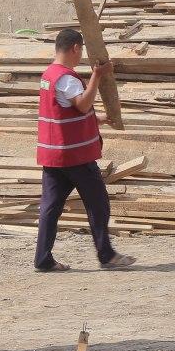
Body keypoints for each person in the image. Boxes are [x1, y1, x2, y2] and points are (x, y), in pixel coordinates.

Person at [34, 28, 134, 272]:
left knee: (50, 207)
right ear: (75, 48)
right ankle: (106, 254)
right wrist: (97, 76)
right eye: (81, 52)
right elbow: (82, 104)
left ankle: (42, 258)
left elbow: (64, 110)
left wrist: (98, 119)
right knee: (98, 203)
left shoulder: (49, 74)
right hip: (75, 155)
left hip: (54, 153)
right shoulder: (68, 78)